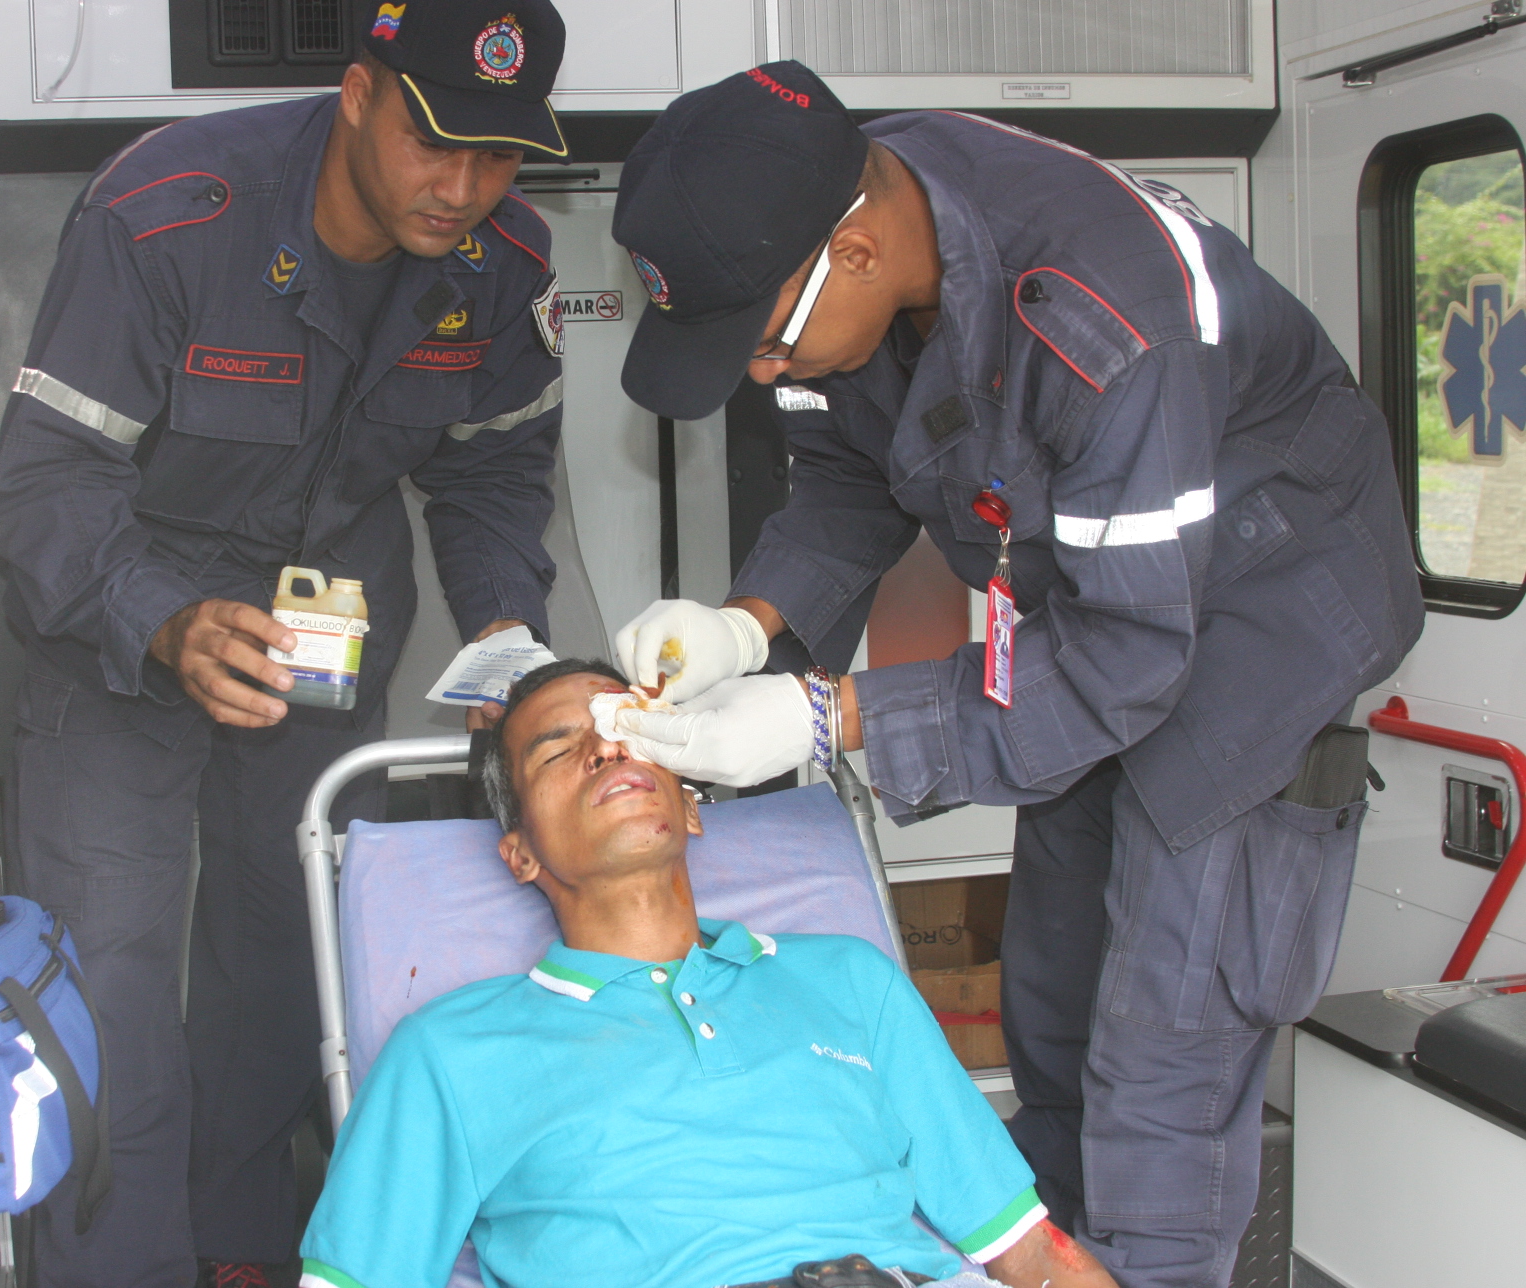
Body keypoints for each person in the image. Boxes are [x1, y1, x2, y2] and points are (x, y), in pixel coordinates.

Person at [604, 64, 1423, 1288]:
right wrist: (742, 624)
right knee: (1053, 1001)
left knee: (1159, 1057)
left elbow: (1132, 658)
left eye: (764, 340)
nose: (762, 375)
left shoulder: (1107, 326)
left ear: (861, 253)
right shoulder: (832, 210)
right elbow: (846, 479)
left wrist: (831, 716)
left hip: (1257, 621)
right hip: (1099, 607)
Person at [0, 4, 571, 1283]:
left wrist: (505, 631)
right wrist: (164, 621)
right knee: (108, 984)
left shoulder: (503, 263)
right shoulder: (170, 216)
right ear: (359, 92)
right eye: (434, 143)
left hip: (326, 625)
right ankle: (117, 1268)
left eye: (499, 157)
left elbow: (494, 475)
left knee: (282, 955)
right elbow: (42, 489)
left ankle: (242, 1251)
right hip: (120, 618)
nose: (462, 189)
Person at [298, 659, 1120, 1288]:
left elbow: (1028, 1254)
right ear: (519, 854)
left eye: (629, 727)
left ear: (690, 804)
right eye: (559, 752)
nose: (607, 748)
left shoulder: (849, 980)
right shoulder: (451, 1052)